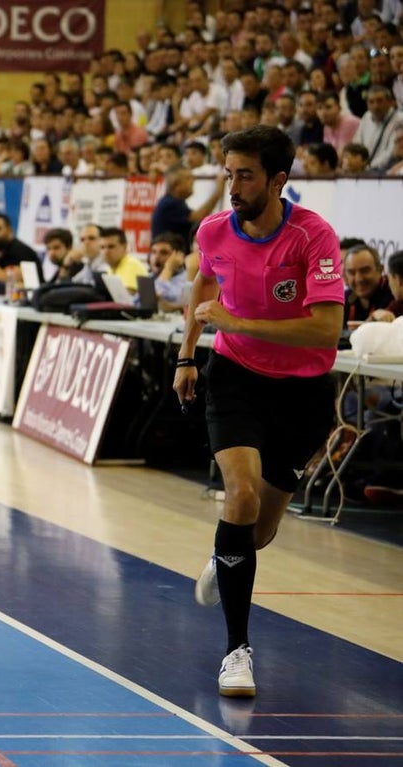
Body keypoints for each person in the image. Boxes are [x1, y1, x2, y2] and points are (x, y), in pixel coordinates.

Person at [174, 125, 344, 698]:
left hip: (303, 394)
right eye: (229, 174)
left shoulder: (313, 236)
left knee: (259, 530)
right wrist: (187, 355)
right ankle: (237, 651)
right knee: (240, 496)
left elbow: (326, 329)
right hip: (235, 379)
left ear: (277, 180)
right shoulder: (214, 230)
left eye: (245, 176)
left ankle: (225, 552)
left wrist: (238, 321)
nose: (233, 186)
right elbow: (203, 284)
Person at [150, 166, 226, 252]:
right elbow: (198, 216)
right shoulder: (170, 204)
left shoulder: (173, 202)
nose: (193, 181)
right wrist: (217, 193)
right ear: (176, 185)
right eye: (188, 178)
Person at [343, 243, 394, 324]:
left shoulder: (394, 297)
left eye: (365, 271)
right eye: (352, 272)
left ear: (380, 270)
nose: (359, 279)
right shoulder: (343, 299)